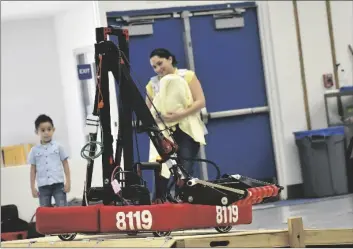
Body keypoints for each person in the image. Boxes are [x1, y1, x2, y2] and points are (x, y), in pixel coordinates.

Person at [146, 48, 207, 180]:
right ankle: (161, 199)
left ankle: (184, 198)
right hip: (163, 134)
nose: (157, 69)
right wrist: (158, 119)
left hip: (187, 131)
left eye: (160, 63)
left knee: (184, 172)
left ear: (170, 59)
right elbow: (147, 112)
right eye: (154, 67)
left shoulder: (187, 76)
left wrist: (179, 115)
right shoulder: (152, 84)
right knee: (161, 172)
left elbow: (200, 101)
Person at [28, 114, 71, 207]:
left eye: (49, 129)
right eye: (42, 130)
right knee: (45, 212)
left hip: (58, 185)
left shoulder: (58, 147)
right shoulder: (34, 150)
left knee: (63, 210)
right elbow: (32, 170)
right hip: (43, 187)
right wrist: (32, 188)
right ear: (37, 132)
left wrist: (68, 182)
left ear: (53, 130)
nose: (46, 132)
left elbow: (65, 164)